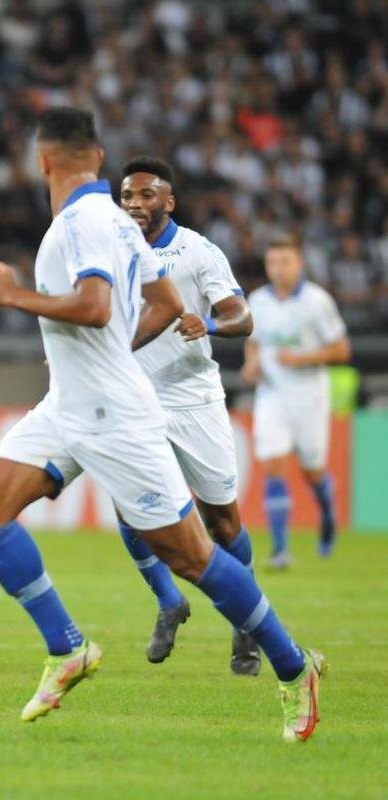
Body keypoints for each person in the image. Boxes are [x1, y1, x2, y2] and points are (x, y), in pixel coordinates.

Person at [0, 108, 325, 743]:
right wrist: (103, 357)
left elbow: (96, 306)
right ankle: (67, 647)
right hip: (68, 403)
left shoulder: (80, 225)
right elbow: (167, 304)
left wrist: (11, 296)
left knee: (194, 557)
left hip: (116, 417)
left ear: (41, 162)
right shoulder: (117, 224)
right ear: (97, 160)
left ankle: (294, 669)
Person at [117, 156, 261, 675]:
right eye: (128, 196)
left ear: (168, 201)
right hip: (133, 400)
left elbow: (242, 316)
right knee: (131, 507)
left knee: (222, 519)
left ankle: (245, 623)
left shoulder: (197, 251)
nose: (135, 204)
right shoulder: (110, 249)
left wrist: (212, 326)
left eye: (146, 195)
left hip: (192, 399)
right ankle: (168, 601)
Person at [242, 236, 351, 568]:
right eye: (273, 262)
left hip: (309, 395)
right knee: (273, 464)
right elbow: (254, 341)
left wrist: (302, 358)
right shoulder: (258, 300)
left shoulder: (317, 301)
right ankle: (280, 549)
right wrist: (252, 362)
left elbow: (341, 350)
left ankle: (328, 517)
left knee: (312, 471)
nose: (278, 269)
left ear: (299, 263)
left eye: (285, 262)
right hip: (272, 393)